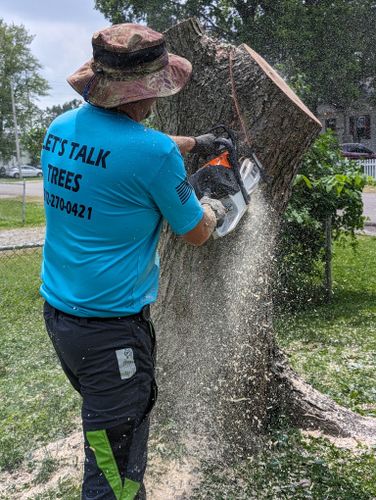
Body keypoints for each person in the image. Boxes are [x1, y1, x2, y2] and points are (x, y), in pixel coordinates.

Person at [40, 23, 224, 500]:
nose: (158, 100)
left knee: (108, 444)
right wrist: (215, 204)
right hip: (111, 335)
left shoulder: (60, 129)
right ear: (142, 92)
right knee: (113, 476)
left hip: (63, 319)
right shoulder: (153, 154)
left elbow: (122, 149)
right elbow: (198, 232)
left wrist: (197, 144)